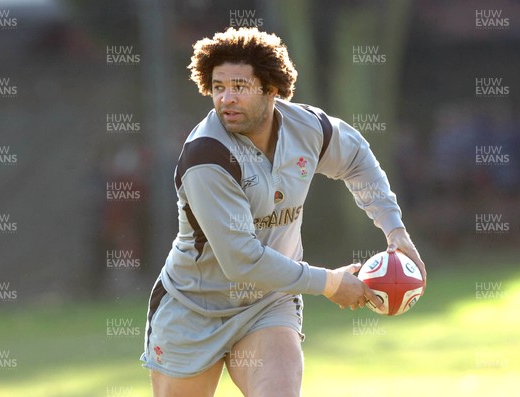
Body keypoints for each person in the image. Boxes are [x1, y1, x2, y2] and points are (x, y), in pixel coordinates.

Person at [141, 27, 426, 397]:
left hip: (268, 302)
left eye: (240, 86)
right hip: (193, 307)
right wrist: (331, 284)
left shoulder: (307, 128)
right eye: (218, 86)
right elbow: (242, 261)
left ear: (271, 88)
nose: (226, 98)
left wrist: (395, 230)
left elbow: (357, 159)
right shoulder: (207, 158)